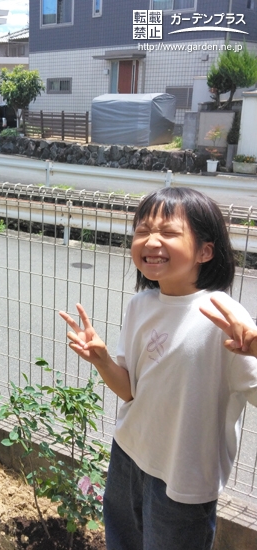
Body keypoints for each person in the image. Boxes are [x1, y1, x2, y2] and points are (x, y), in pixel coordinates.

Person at [59, 187, 257, 549]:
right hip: (128, 454)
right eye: (142, 230)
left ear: (205, 251)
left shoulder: (225, 316)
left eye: (168, 232)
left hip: (183, 479)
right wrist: (102, 358)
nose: (151, 241)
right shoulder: (141, 304)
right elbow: (130, 390)